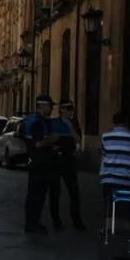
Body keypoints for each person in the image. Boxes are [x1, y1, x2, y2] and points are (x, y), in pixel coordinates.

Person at [23, 95, 59, 235]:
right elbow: (37, 144)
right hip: (38, 162)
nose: (52, 109)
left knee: (39, 193)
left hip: (41, 161)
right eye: (50, 106)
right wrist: (51, 140)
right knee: (36, 194)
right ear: (43, 106)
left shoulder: (41, 120)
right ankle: (32, 223)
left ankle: (34, 222)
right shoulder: (37, 121)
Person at [49, 100, 85, 230]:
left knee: (74, 192)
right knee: (55, 191)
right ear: (61, 110)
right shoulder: (53, 122)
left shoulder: (74, 123)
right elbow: (48, 138)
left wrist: (70, 126)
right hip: (56, 159)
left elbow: (78, 139)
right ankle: (56, 221)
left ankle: (77, 221)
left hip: (69, 160)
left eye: (71, 108)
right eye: (67, 108)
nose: (70, 111)